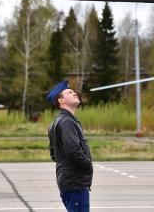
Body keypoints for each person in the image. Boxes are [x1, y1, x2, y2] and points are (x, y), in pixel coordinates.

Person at [47, 80, 93, 212]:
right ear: (61, 101)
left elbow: (54, 154)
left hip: (68, 181)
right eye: (69, 92)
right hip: (75, 183)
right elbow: (73, 150)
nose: (74, 93)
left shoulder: (58, 121)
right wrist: (86, 165)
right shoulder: (67, 122)